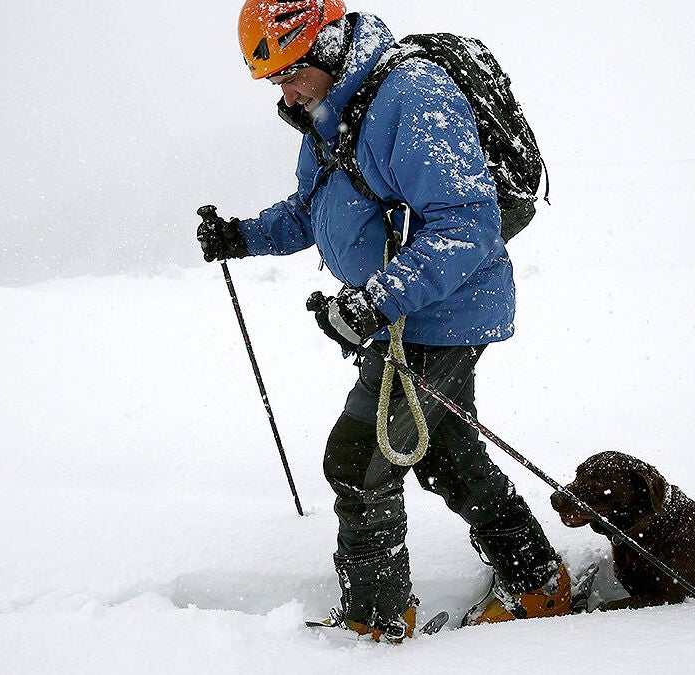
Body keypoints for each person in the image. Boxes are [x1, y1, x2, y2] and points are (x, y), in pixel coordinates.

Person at [199, 0, 570, 641]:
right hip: (404, 315)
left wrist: (376, 301)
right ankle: (536, 581)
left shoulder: (413, 95)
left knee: (359, 460)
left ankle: (375, 624)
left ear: (326, 45)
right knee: (447, 453)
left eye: (289, 72)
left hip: (440, 313)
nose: (283, 92)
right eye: (273, 79)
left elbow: (466, 224)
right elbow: (311, 211)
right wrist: (243, 236)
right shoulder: (328, 115)